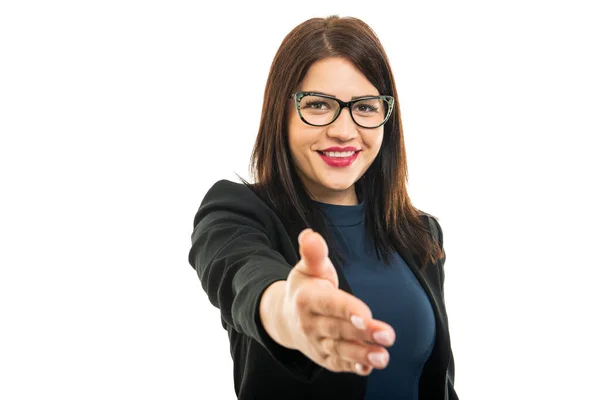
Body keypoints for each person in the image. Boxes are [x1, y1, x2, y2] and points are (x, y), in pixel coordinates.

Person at [188, 15, 459, 400]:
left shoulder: (419, 232)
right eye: (317, 105)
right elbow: (240, 275)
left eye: (364, 107)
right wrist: (284, 311)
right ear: (279, 113)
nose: (343, 130)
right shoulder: (237, 211)